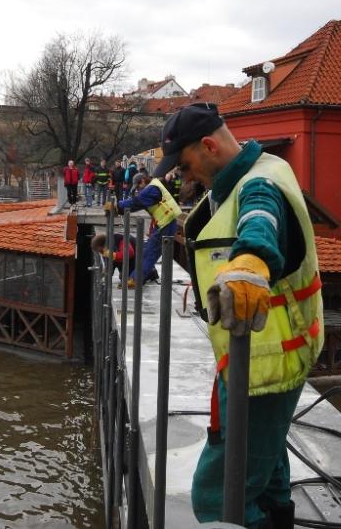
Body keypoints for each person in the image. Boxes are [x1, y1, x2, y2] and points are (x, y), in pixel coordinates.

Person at [151, 102, 323, 529]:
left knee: (216, 496)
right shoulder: (257, 168)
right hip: (261, 354)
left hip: (266, 365)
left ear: (209, 145)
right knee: (266, 473)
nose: (182, 175)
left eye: (185, 163)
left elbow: (259, 219)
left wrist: (251, 260)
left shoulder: (258, 184)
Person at [107, 170, 178, 288]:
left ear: (143, 181)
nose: (139, 190)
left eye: (138, 187)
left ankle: (135, 280)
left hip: (166, 223)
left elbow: (137, 202)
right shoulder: (153, 187)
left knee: (150, 253)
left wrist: (118, 206)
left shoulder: (152, 188)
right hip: (164, 222)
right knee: (148, 252)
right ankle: (139, 276)